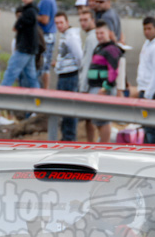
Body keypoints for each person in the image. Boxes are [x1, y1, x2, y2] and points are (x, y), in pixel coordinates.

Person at [87, 21, 123, 143]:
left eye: (101, 33)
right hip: (95, 88)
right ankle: (102, 143)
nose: (99, 36)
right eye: (97, 33)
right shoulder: (100, 47)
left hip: (102, 89)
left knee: (103, 120)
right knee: (98, 120)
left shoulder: (111, 49)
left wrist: (105, 88)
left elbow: (113, 71)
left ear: (109, 33)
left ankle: (104, 145)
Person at [1, 0, 40, 89]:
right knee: (31, 77)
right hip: (29, 49)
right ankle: (38, 96)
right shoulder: (29, 10)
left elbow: (17, 27)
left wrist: (19, 24)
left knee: (10, 73)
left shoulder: (30, 11)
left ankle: (0, 95)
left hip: (24, 49)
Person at [53, 12, 83, 141]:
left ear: (67, 22)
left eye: (61, 22)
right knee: (63, 108)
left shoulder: (71, 36)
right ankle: (66, 135)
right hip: (63, 75)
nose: (59, 25)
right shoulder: (64, 35)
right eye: (57, 23)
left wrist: (76, 70)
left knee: (69, 108)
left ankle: (69, 137)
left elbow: (79, 56)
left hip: (70, 76)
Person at [78, 9, 99, 142]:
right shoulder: (92, 36)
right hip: (92, 82)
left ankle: (92, 143)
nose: (83, 23)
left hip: (90, 84)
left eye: (86, 20)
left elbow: (87, 64)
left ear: (93, 20)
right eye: (81, 20)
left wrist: (83, 87)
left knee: (90, 119)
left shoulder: (92, 38)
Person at [36, 0, 57, 89]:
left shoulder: (47, 1)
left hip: (45, 37)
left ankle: (44, 90)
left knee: (43, 66)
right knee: (45, 66)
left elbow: (45, 19)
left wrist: (32, 15)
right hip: (49, 36)